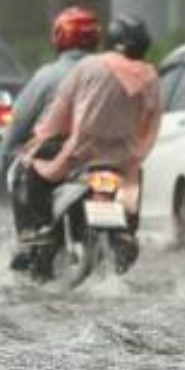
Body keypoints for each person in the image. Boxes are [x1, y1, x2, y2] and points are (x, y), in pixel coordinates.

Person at [26, 14, 163, 220]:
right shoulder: (150, 77)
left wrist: (41, 137)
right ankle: (128, 232)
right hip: (124, 162)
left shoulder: (90, 66)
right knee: (131, 202)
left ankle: (41, 236)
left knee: (34, 174)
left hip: (81, 155)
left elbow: (59, 111)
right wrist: (136, 154)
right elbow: (151, 125)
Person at [2, 6, 101, 166]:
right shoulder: (113, 73)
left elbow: (18, 123)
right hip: (105, 162)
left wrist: (8, 148)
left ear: (60, 36)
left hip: (56, 166)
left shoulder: (47, 75)